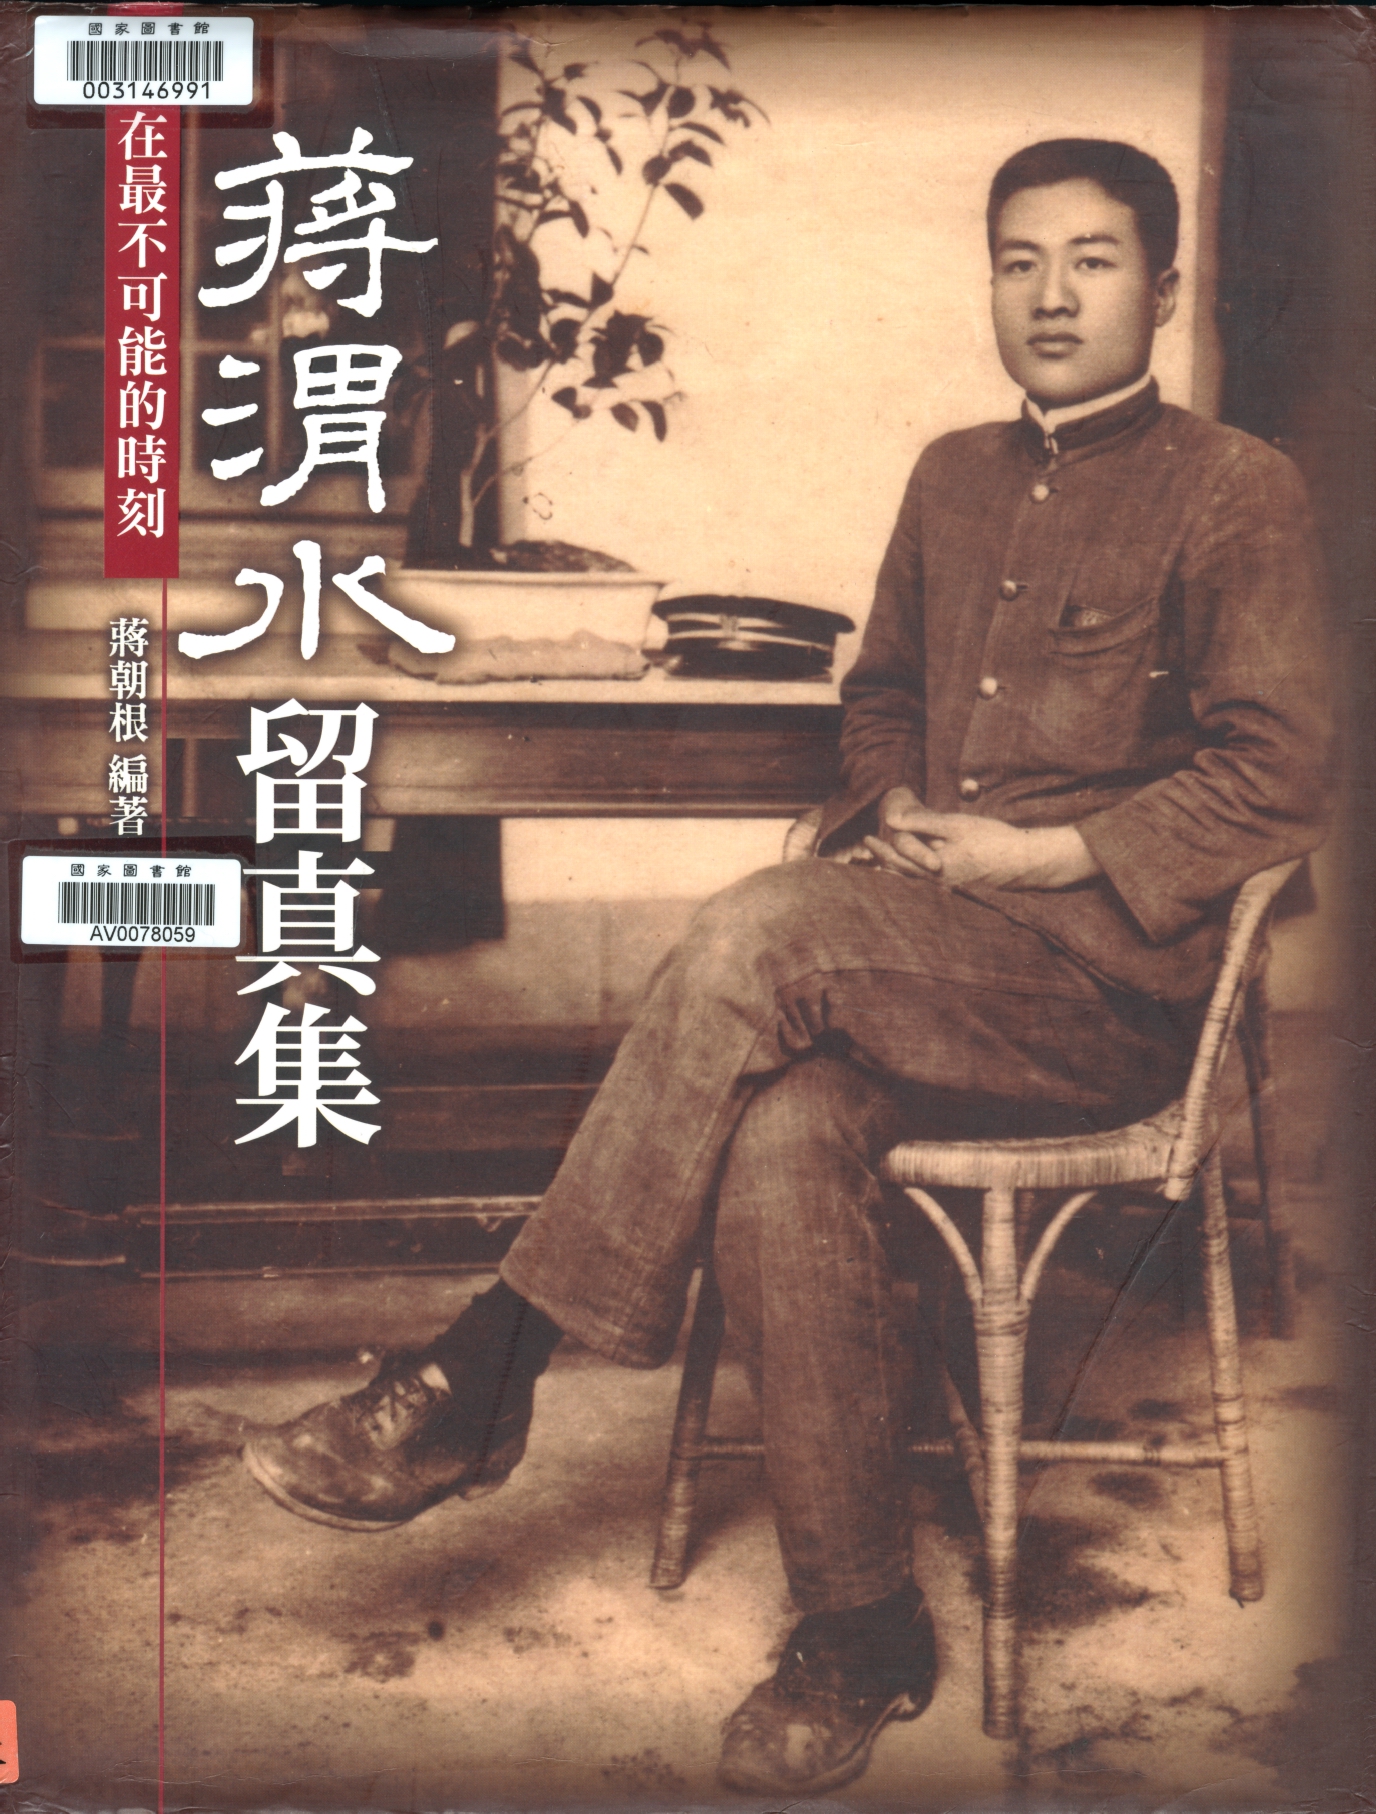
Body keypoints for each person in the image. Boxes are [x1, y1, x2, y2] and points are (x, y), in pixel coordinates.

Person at [241, 139, 1331, 1794]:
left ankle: (488, 1363)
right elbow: (877, 695)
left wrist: (1039, 854)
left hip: (1103, 1000)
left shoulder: (1236, 487)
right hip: (914, 959)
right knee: (776, 1125)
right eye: (1019, 260)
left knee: (759, 926)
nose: (1050, 296)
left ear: (1164, 291)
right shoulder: (953, 475)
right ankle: (862, 1623)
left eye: (1094, 260)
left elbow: (1279, 774)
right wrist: (889, 814)